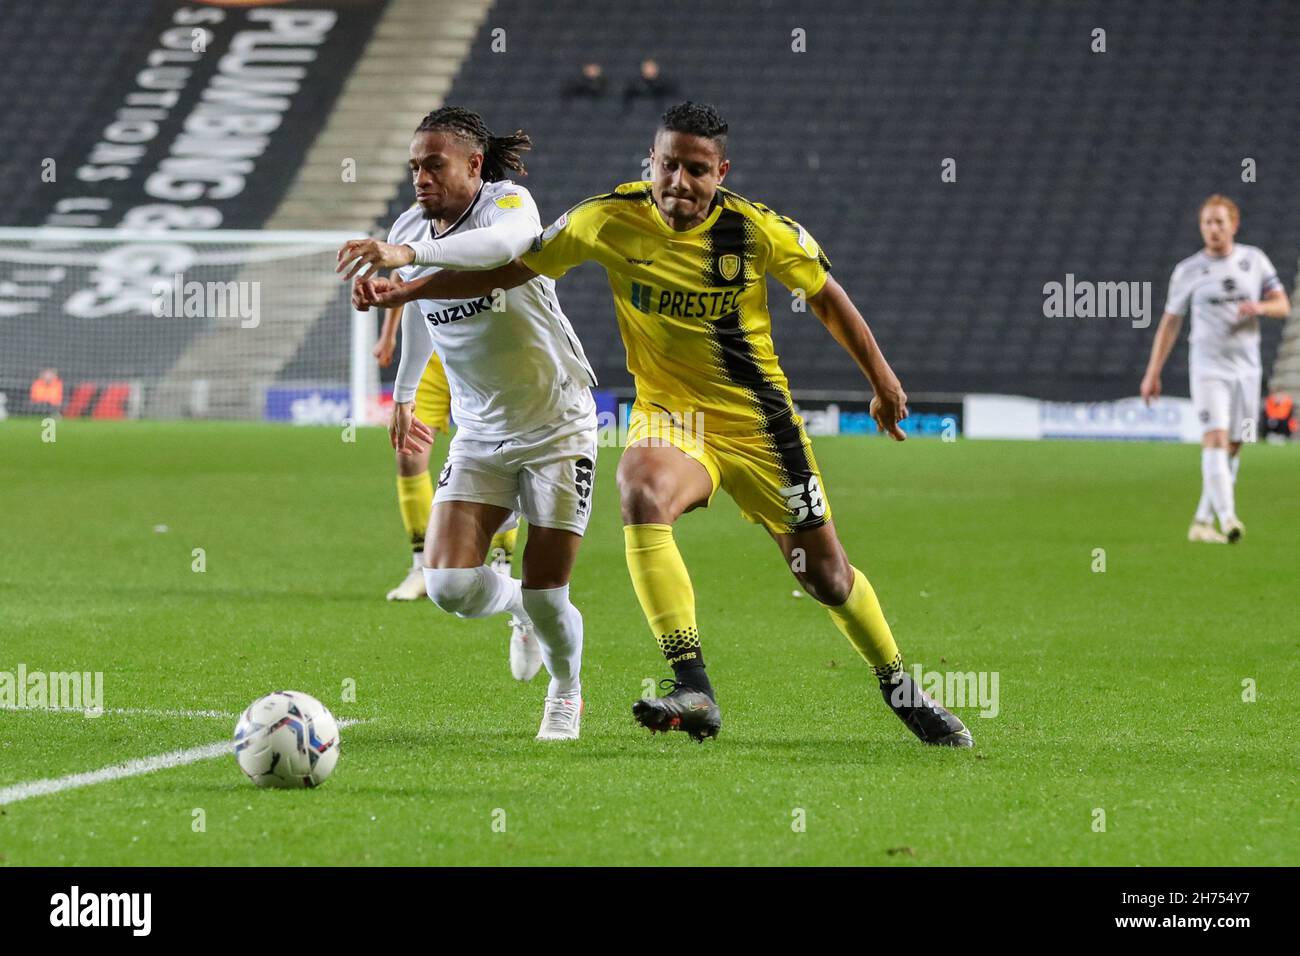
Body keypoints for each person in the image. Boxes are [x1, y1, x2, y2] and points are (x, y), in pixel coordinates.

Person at [358, 101, 974, 748]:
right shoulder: (608, 218)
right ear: (651, 162)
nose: (679, 182)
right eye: (668, 165)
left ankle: (899, 685)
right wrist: (407, 291)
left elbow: (825, 294)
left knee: (825, 576)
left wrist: (882, 382)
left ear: (721, 172)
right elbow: (514, 266)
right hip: (671, 418)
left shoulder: (756, 230)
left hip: (760, 425)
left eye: (697, 170)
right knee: (641, 488)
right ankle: (693, 683)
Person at [338, 106, 599, 738]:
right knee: (448, 583)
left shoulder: (509, 205)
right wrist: (402, 396)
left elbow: (498, 251)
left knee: (548, 591)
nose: (420, 178)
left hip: (557, 424)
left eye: (433, 164)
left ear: (473, 165)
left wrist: (408, 258)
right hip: (481, 431)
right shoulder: (411, 227)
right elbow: (428, 314)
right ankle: (520, 612)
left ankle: (566, 689)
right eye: (413, 167)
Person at [371, 303, 534, 677]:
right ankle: (419, 566)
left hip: (482, 345)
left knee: (502, 451)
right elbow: (408, 275)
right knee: (408, 456)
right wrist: (388, 331)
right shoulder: (409, 241)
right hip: (430, 348)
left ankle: (501, 563)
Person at [1141, 195, 1290, 543]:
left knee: (1236, 444)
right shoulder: (1188, 270)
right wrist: (1153, 372)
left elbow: (1283, 305)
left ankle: (1201, 521)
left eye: (1220, 222)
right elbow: (1170, 323)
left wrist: (1260, 308)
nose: (1213, 228)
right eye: (1207, 222)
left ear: (1234, 225)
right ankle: (1229, 518)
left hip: (1247, 369)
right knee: (1216, 438)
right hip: (1208, 367)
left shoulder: (1254, 261)